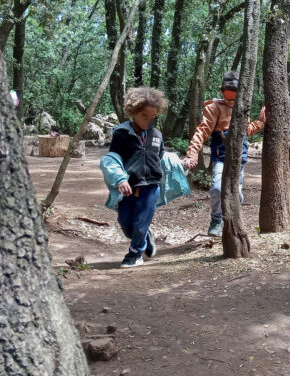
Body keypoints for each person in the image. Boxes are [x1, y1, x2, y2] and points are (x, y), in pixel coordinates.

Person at [183, 71, 265, 236]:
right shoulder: (214, 108)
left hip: (238, 159)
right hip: (221, 158)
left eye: (233, 98)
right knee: (218, 189)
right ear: (222, 92)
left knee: (237, 194)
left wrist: (261, 122)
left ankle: (232, 222)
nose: (230, 102)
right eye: (227, 98)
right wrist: (192, 154)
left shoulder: (242, 107)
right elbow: (202, 131)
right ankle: (216, 219)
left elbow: (246, 130)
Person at [106, 87, 168, 268]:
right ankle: (146, 236)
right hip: (127, 187)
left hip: (151, 186)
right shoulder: (121, 134)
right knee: (126, 224)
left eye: (152, 117)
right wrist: (120, 180)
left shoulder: (156, 135)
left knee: (140, 222)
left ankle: (135, 254)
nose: (148, 121)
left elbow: (160, 156)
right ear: (133, 112)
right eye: (143, 116)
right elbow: (113, 161)